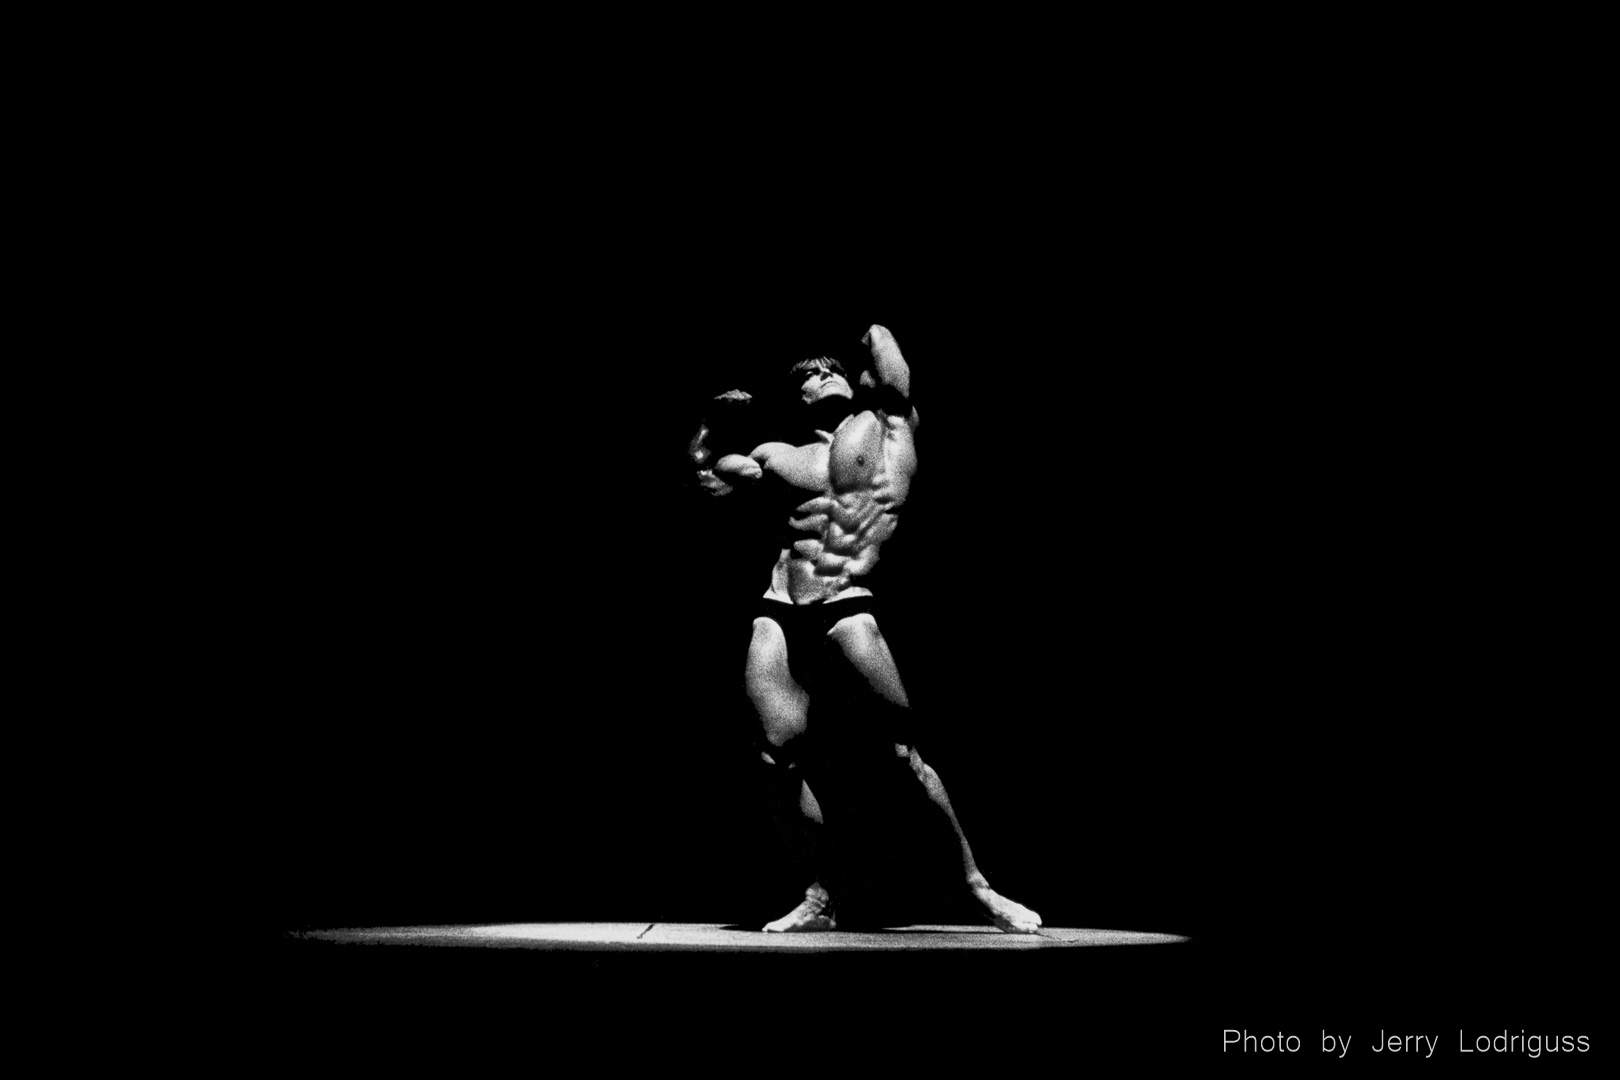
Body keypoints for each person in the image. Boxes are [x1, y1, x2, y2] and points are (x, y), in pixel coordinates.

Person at [690, 324, 1041, 933]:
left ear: (855, 381)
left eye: (829, 371)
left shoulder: (888, 428)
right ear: (793, 400)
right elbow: (711, 475)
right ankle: (819, 895)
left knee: (901, 757)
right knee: (777, 759)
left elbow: (883, 344)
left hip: (847, 603)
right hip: (779, 605)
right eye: (805, 379)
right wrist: (717, 422)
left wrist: (862, 338)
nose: (819, 380)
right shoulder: (777, 455)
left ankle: (977, 887)